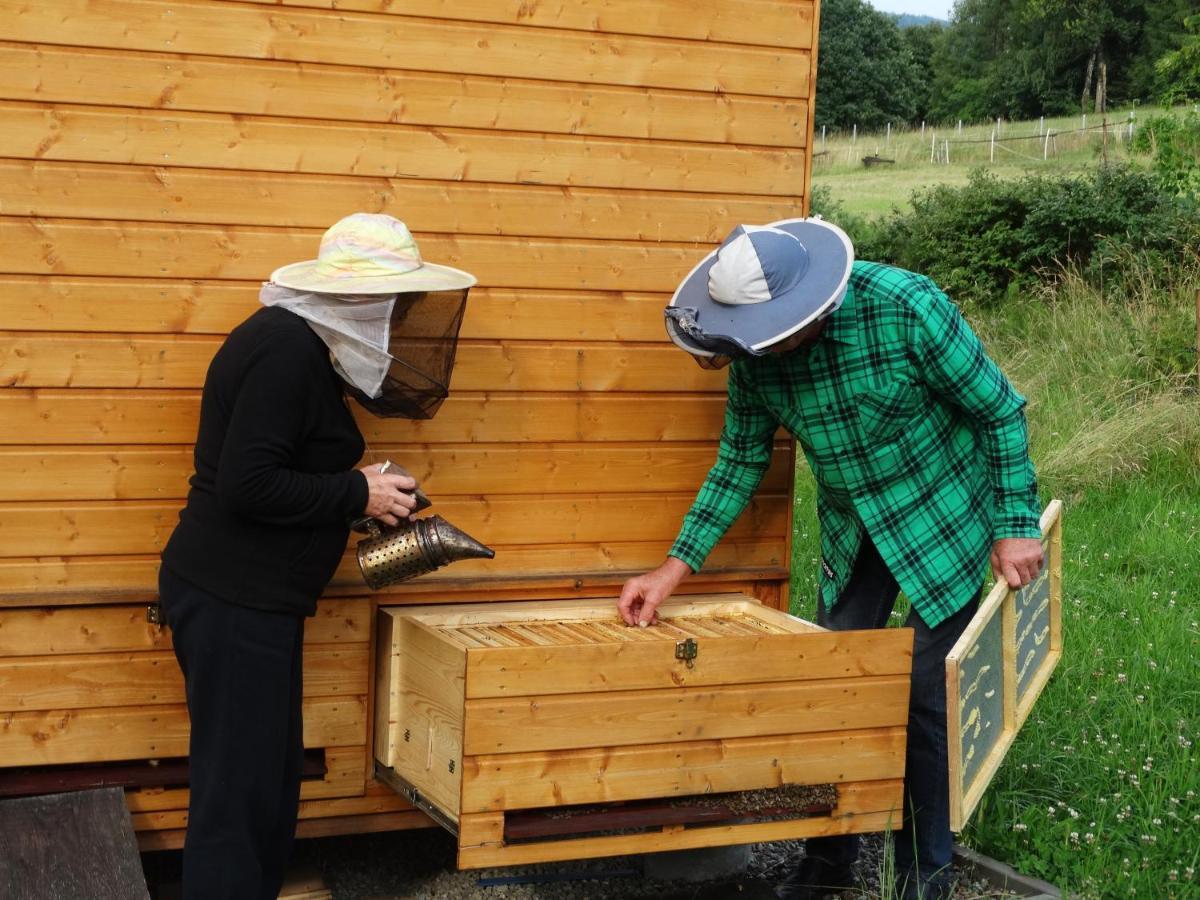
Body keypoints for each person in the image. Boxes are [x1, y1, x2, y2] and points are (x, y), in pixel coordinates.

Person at [616, 219, 1043, 900]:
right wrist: (672, 569)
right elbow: (739, 459)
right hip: (855, 529)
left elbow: (1000, 411)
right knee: (834, 692)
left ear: (812, 304)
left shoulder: (906, 307)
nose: (768, 351)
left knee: (925, 697)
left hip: (944, 518)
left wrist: (1016, 524)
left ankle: (922, 875)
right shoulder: (756, 354)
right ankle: (828, 866)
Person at [158, 213, 475, 899]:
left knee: (266, 782)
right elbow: (247, 485)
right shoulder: (284, 349)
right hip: (231, 598)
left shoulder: (302, 345)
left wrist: (363, 492)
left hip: (254, 602)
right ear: (362, 297)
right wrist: (353, 490)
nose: (402, 315)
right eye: (397, 301)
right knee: (238, 797)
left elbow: (280, 463)